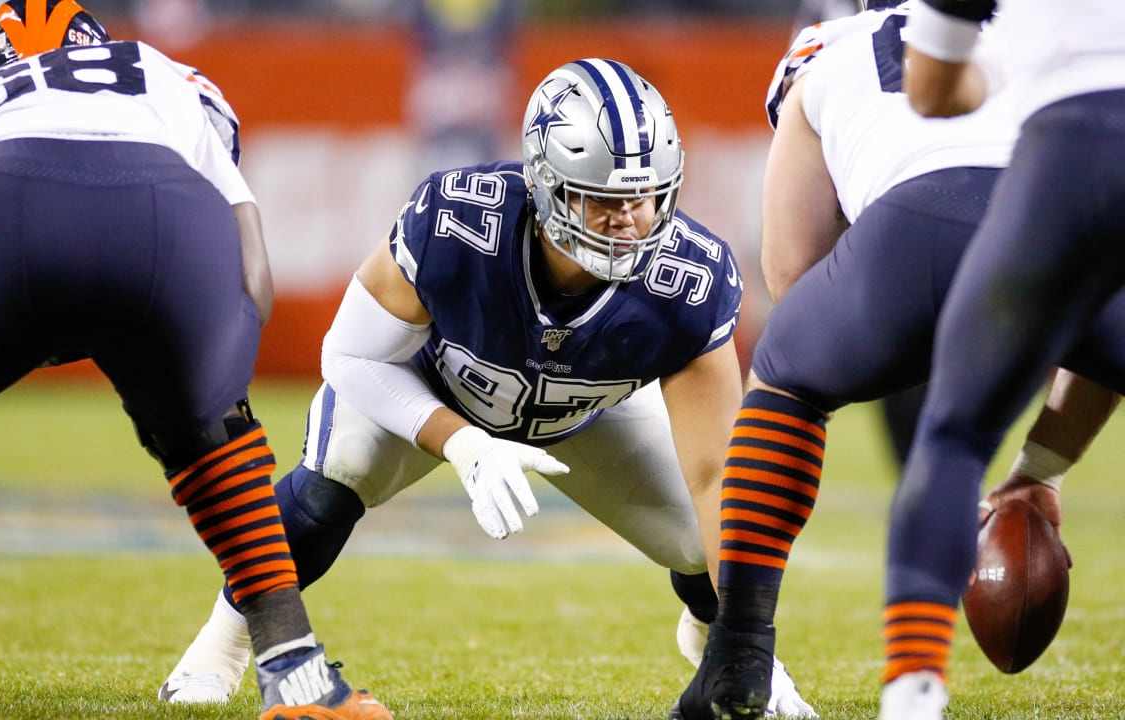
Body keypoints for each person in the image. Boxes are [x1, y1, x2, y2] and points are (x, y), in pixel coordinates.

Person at [157, 58, 816, 718]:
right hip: (431, 383)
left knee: (711, 533)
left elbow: (715, 475)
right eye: (602, 200)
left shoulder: (687, 281)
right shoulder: (459, 222)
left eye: (642, 198)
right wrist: (465, 443)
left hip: (578, 414)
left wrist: (746, 638)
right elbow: (350, 357)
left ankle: (716, 640)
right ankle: (220, 646)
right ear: (546, 183)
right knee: (337, 470)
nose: (628, 221)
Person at [0, 2, 389, 718]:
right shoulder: (167, 76)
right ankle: (298, 675)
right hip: (160, 218)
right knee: (211, 429)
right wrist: (209, 395)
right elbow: (245, 247)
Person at [672, 2, 1125, 718]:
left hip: (913, 230)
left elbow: (790, 270)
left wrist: (890, 324)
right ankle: (1037, 473)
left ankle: (744, 647)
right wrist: (1040, 469)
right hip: (1055, 213)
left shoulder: (826, 49)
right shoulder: (1032, 24)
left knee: (789, 370)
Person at [878, 0, 1125, 717]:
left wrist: (1001, 74)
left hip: (1068, 145)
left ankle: (915, 688)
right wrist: (1039, 471)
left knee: (954, 431)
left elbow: (930, 89)